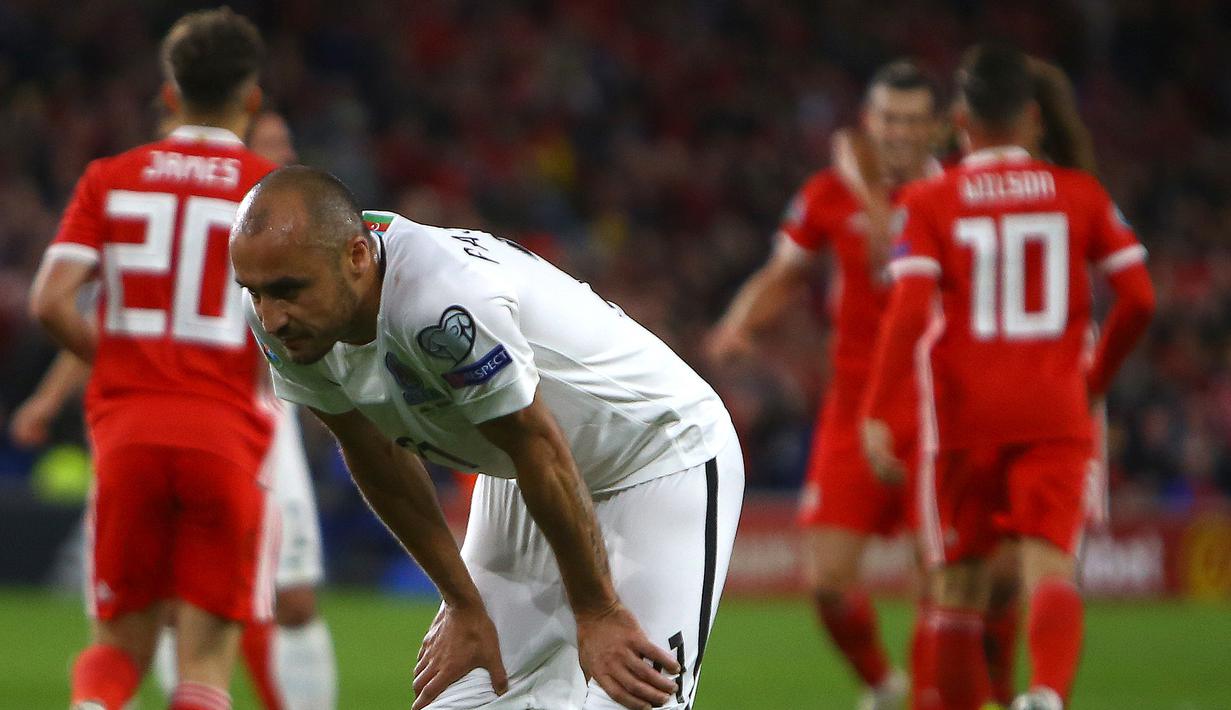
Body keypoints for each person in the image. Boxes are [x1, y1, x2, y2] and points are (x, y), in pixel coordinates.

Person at [230, 166, 745, 710]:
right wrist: (463, 604)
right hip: (529, 474)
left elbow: (538, 445)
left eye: (287, 291)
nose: (271, 316)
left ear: (357, 257)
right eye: (255, 292)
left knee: (632, 697)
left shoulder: (438, 300)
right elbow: (373, 453)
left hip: (658, 456)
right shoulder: (283, 315)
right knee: (465, 697)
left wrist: (596, 611)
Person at [860, 44, 1155, 710]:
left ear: (959, 117)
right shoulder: (1079, 194)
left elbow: (907, 309)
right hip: (1056, 411)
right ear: (1030, 117)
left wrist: (877, 410)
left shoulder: (930, 199)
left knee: (956, 592)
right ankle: (1045, 695)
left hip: (963, 416)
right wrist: (1094, 379)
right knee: (1049, 570)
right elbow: (1138, 298)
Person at [13, 107, 338, 710]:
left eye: (286, 144)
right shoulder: (248, 200)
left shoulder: (147, 188)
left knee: (284, 600)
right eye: (270, 142)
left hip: (240, 411)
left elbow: (81, 311)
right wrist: (53, 395)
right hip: (225, 416)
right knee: (196, 621)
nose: (280, 154)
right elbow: (124, 317)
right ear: (242, 123)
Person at [27, 9, 280, 710]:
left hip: (128, 431)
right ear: (251, 99)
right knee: (203, 662)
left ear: (169, 95)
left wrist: (119, 365)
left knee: (116, 651)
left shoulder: (112, 178)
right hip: (227, 435)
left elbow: (50, 302)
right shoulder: (271, 191)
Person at [708, 60, 941, 710]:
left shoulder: (951, 193)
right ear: (869, 122)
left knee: (941, 585)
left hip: (935, 408)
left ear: (935, 128)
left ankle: (932, 698)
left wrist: (866, 192)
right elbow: (783, 273)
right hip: (854, 406)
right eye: (887, 119)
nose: (897, 131)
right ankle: (881, 685)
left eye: (911, 120)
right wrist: (737, 321)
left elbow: (884, 263)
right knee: (828, 584)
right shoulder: (825, 193)